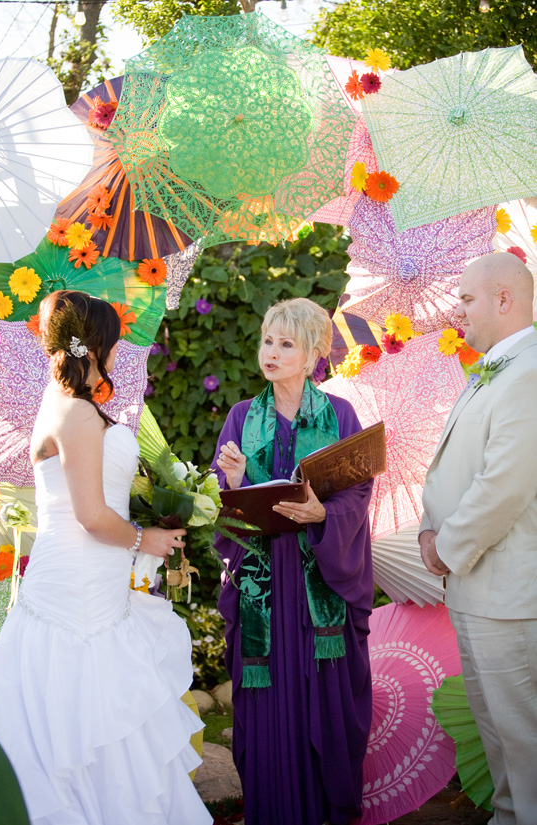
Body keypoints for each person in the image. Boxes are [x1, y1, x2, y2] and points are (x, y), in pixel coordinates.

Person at [0, 291, 212, 825]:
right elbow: (90, 515)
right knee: (94, 713)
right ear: (97, 346)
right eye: (115, 341)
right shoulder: (80, 415)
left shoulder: (61, 404)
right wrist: (146, 538)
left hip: (84, 580)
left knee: (75, 714)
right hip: (79, 590)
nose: (119, 351)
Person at [213, 297, 374, 825]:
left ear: (312, 356)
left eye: (286, 344)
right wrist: (233, 485)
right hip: (264, 589)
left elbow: (357, 493)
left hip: (317, 588)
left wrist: (320, 512)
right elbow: (223, 507)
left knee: (326, 709)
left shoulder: (341, 416)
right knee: (268, 712)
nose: (272, 352)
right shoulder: (241, 417)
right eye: (267, 340)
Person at [419, 253, 537, 825]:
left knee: (525, 744)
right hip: (475, 588)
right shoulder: (493, 368)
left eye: (467, 299)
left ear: (504, 299)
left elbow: (505, 485)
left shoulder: (530, 371)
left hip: (509, 593)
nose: (457, 309)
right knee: (500, 741)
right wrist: (425, 524)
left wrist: (443, 548)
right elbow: (454, 468)